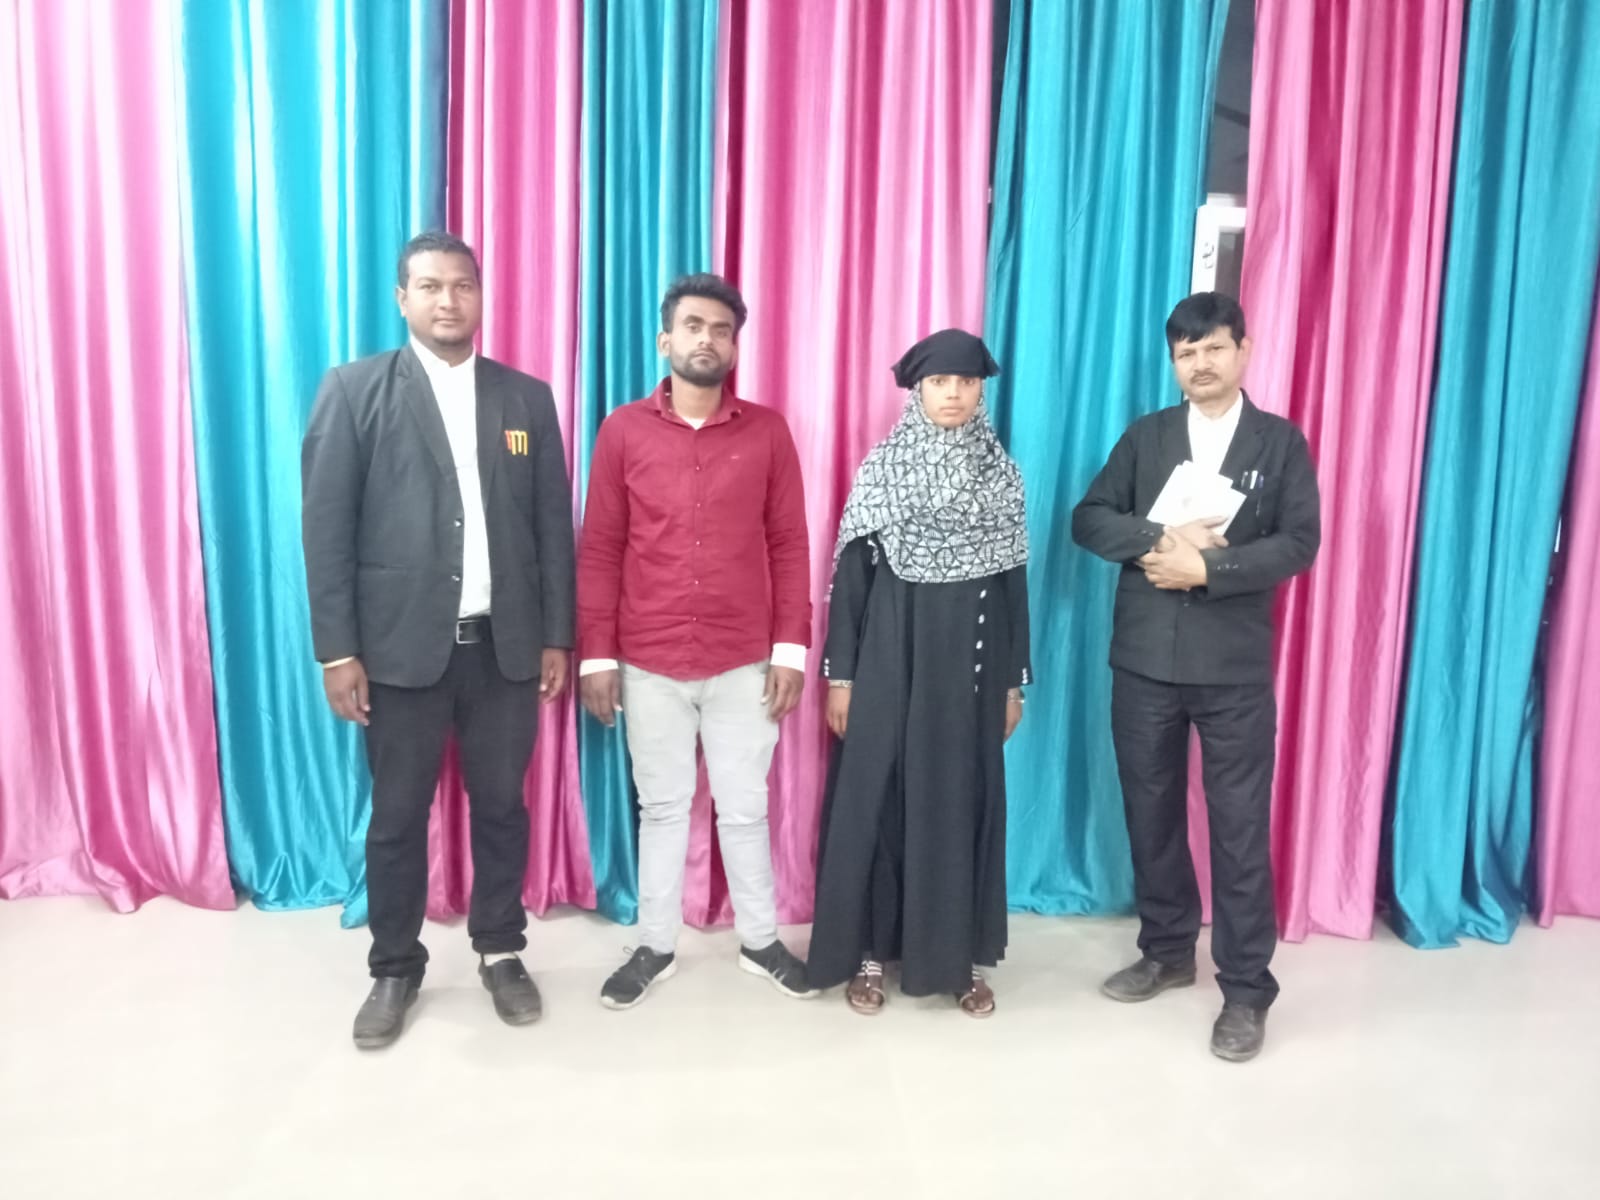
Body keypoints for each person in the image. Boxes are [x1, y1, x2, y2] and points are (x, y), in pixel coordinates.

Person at [302, 231, 575, 1049]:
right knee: (395, 817)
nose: (448, 300)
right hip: (398, 653)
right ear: (403, 299)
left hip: (504, 649)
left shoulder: (525, 399)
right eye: (429, 286)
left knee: (501, 808)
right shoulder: (354, 391)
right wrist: (337, 651)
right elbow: (326, 531)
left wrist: (557, 635)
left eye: (462, 285)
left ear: (481, 296)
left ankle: (500, 949)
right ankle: (395, 966)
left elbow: (551, 529)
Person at [1071, 291, 1320, 1062]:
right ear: (1173, 362)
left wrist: (1209, 569)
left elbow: (1299, 542)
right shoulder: (1146, 436)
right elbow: (1088, 518)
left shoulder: (1280, 443)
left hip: (1232, 670)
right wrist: (1159, 538)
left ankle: (1245, 989)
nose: (1200, 363)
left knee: (1238, 828)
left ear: (1244, 351)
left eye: (1214, 347)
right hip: (1144, 661)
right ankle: (1168, 950)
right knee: (1150, 814)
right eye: (1186, 352)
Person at [577, 273, 814, 1009]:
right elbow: (601, 546)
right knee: (663, 809)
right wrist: (596, 655)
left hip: (744, 658)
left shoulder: (767, 432)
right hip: (648, 659)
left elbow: (789, 543)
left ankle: (760, 942)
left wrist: (790, 650)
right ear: (665, 340)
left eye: (720, 329)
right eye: (692, 326)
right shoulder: (622, 431)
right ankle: (655, 945)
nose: (706, 339)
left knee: (744, 808)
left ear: (735, 346)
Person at [808, 329, 1031, 1018]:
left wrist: (1013, 682)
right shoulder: (884, 470)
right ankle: (871, 952)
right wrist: (841, 677)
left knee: (961, 800)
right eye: (940, 382)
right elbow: (850, 583)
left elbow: (1013, 587)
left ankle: (958, 959)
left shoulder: (1001, 475)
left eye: (966, 382)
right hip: (887, 660)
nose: (954, 393)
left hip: (971, 669)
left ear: (981, 391)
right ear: (918, 391)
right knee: (881, 800)